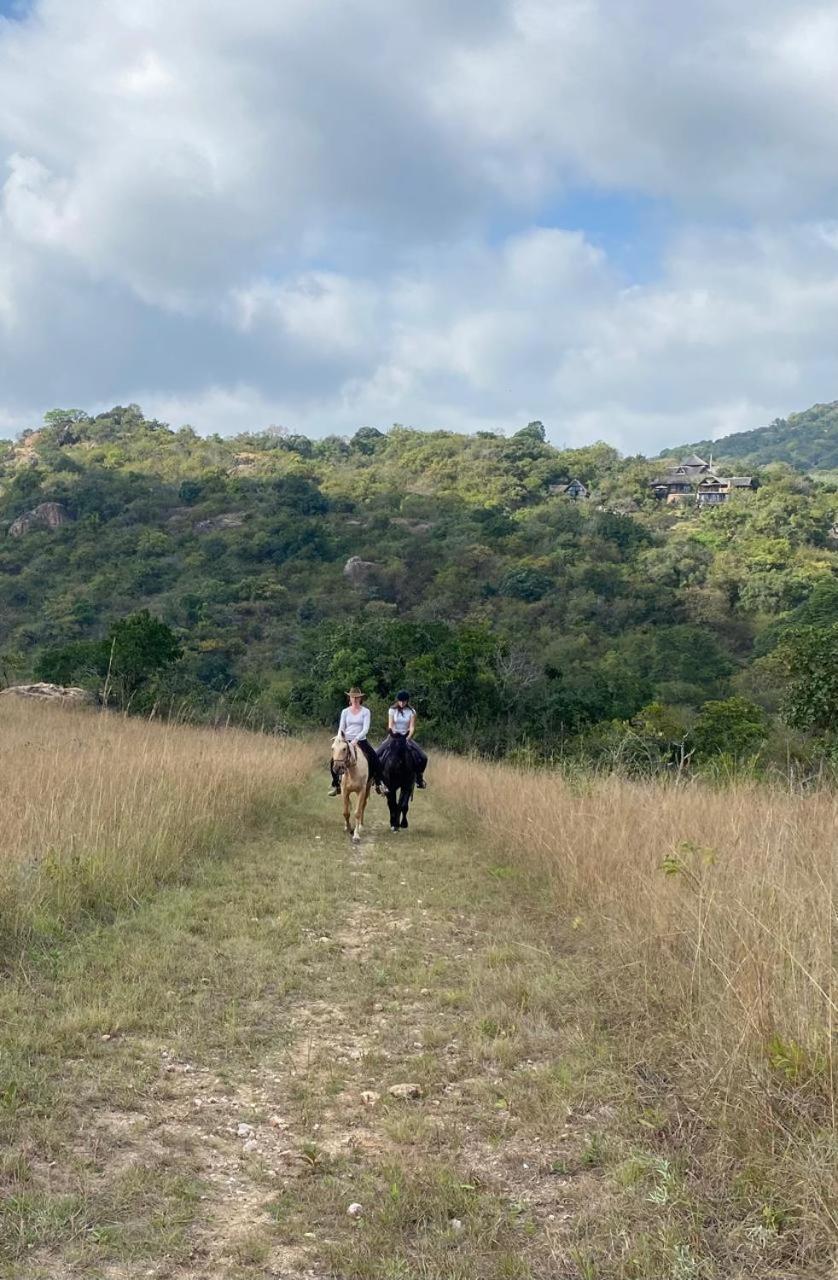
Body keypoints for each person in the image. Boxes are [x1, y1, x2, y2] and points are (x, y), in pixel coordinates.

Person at [329, 687, 386, 796]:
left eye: (357, 697)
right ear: (349, 698)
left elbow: (365, 729)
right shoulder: (345, 711)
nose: (354, 699)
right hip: (346, 740)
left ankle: (379, 783)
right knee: (333, 760)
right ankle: (336, 785)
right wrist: (340, 738)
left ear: (360, 698)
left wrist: (356, 739)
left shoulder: (366, 712)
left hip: (360, 740)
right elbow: (341, 727)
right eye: (352, 697)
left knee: (375, 759)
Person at [380, 690, 427, 787]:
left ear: (407, 701)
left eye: (404, 701)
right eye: (400, 701)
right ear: (397, 701)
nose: (402, 703)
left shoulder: (412, 711)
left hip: (406, 737)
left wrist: (408, 737)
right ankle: (378, 779)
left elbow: (412, 727)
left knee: (423, 757)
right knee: (378, 754)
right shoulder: (392, 710)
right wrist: (393, 735)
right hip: (393, 736)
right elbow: (390, 725)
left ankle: (419, 778)